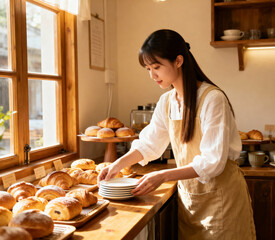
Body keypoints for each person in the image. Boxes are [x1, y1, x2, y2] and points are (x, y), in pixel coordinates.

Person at [98, 29, 256, 239]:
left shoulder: (212, 99)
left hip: (223, 200)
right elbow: (149, 144)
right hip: (191, 200)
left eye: (156, 67)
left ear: (178, 61)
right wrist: (117, 165)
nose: (152, 75)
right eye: (148, 68)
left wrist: (162, 175)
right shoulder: (167, 102)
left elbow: (213, 163)